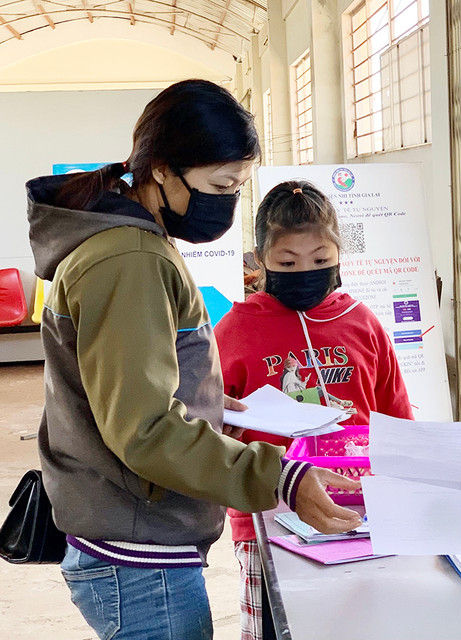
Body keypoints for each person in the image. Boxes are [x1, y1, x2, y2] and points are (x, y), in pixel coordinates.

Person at [27, 80, 361, 640]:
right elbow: (144, 430)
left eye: (237, 185)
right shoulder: (127, 258)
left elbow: (122, 382)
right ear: (161, 168)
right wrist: (281, 476)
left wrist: (208, 401)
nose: (227, 201)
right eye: (220, 184)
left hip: (134, 531)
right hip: (136, 549)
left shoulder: (133, 238)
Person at [214, 179, 414, 640]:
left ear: (339, 254)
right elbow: (209, 430)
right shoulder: (234, 331)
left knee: (363, 622)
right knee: (278, 627)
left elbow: (396, 418)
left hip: (362, 509)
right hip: (268, 514)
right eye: (287, 262)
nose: (305, 271)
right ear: (261, 258)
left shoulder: (362, 321)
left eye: (321, 260)